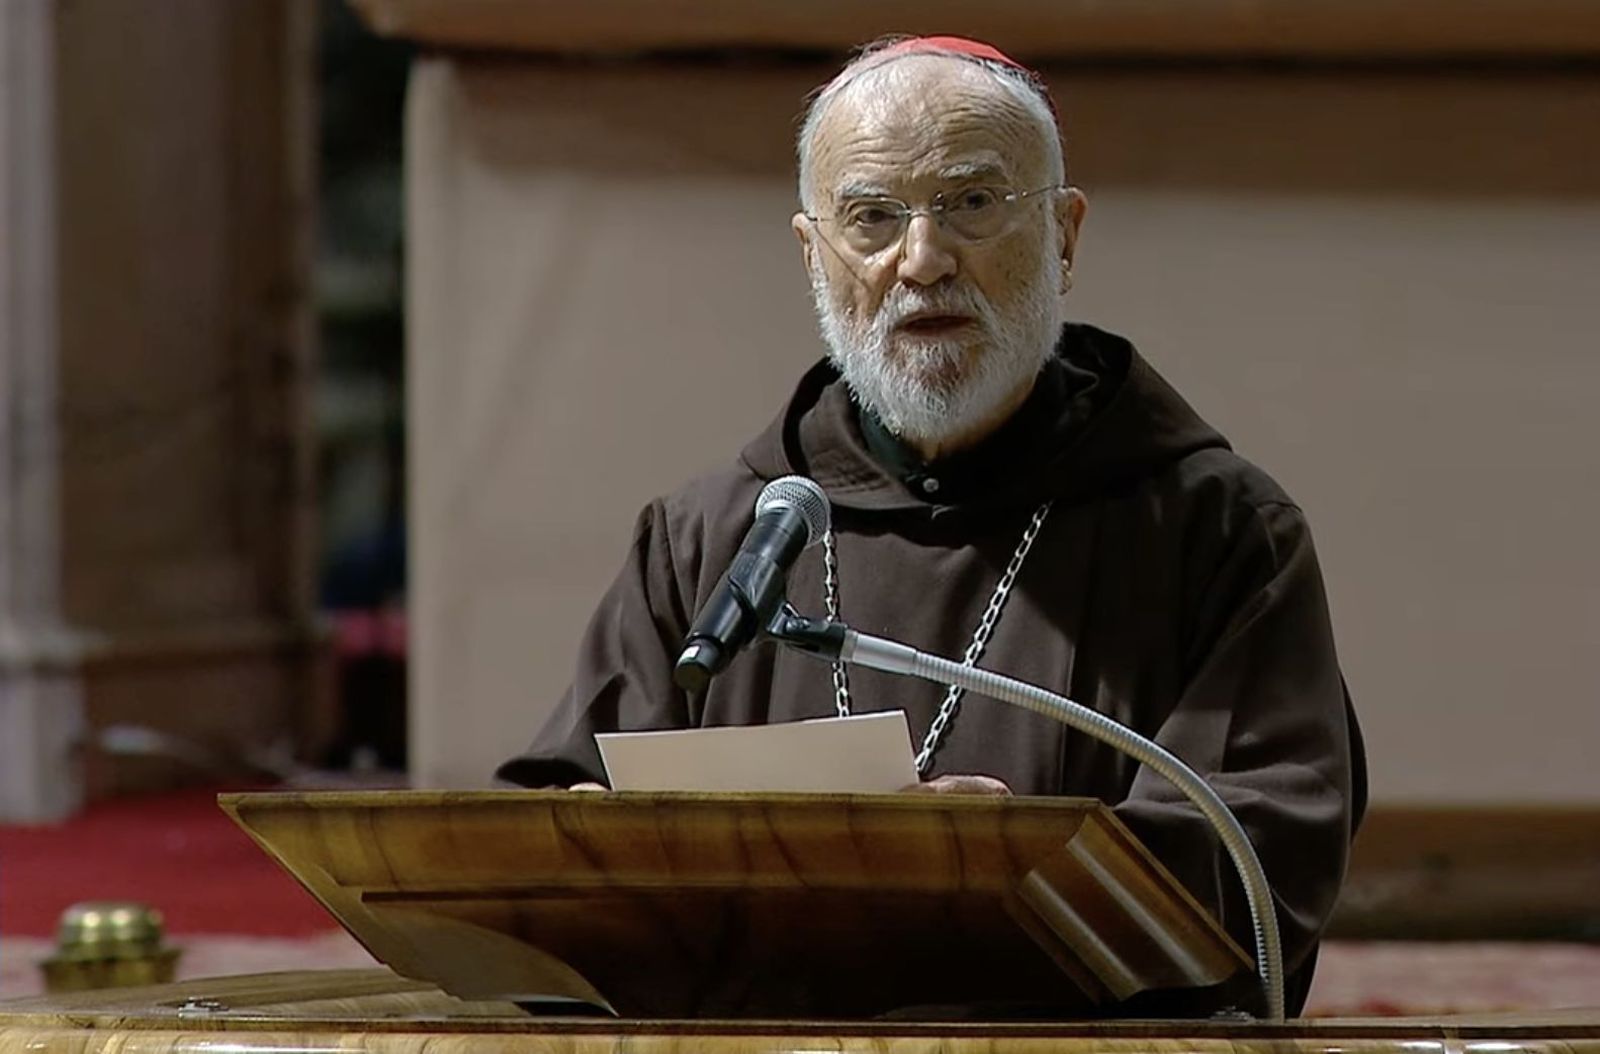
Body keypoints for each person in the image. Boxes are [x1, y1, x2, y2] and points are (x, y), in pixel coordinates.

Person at [497, 35, 1366, 1016]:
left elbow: (1254, 860)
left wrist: (1005, 868)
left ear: (1064, 235)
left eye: (973, 203)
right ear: (812, 255)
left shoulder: (1217, 533)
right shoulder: (705, 541)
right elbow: (539, 865)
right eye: (871, 217)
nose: (922, 260)